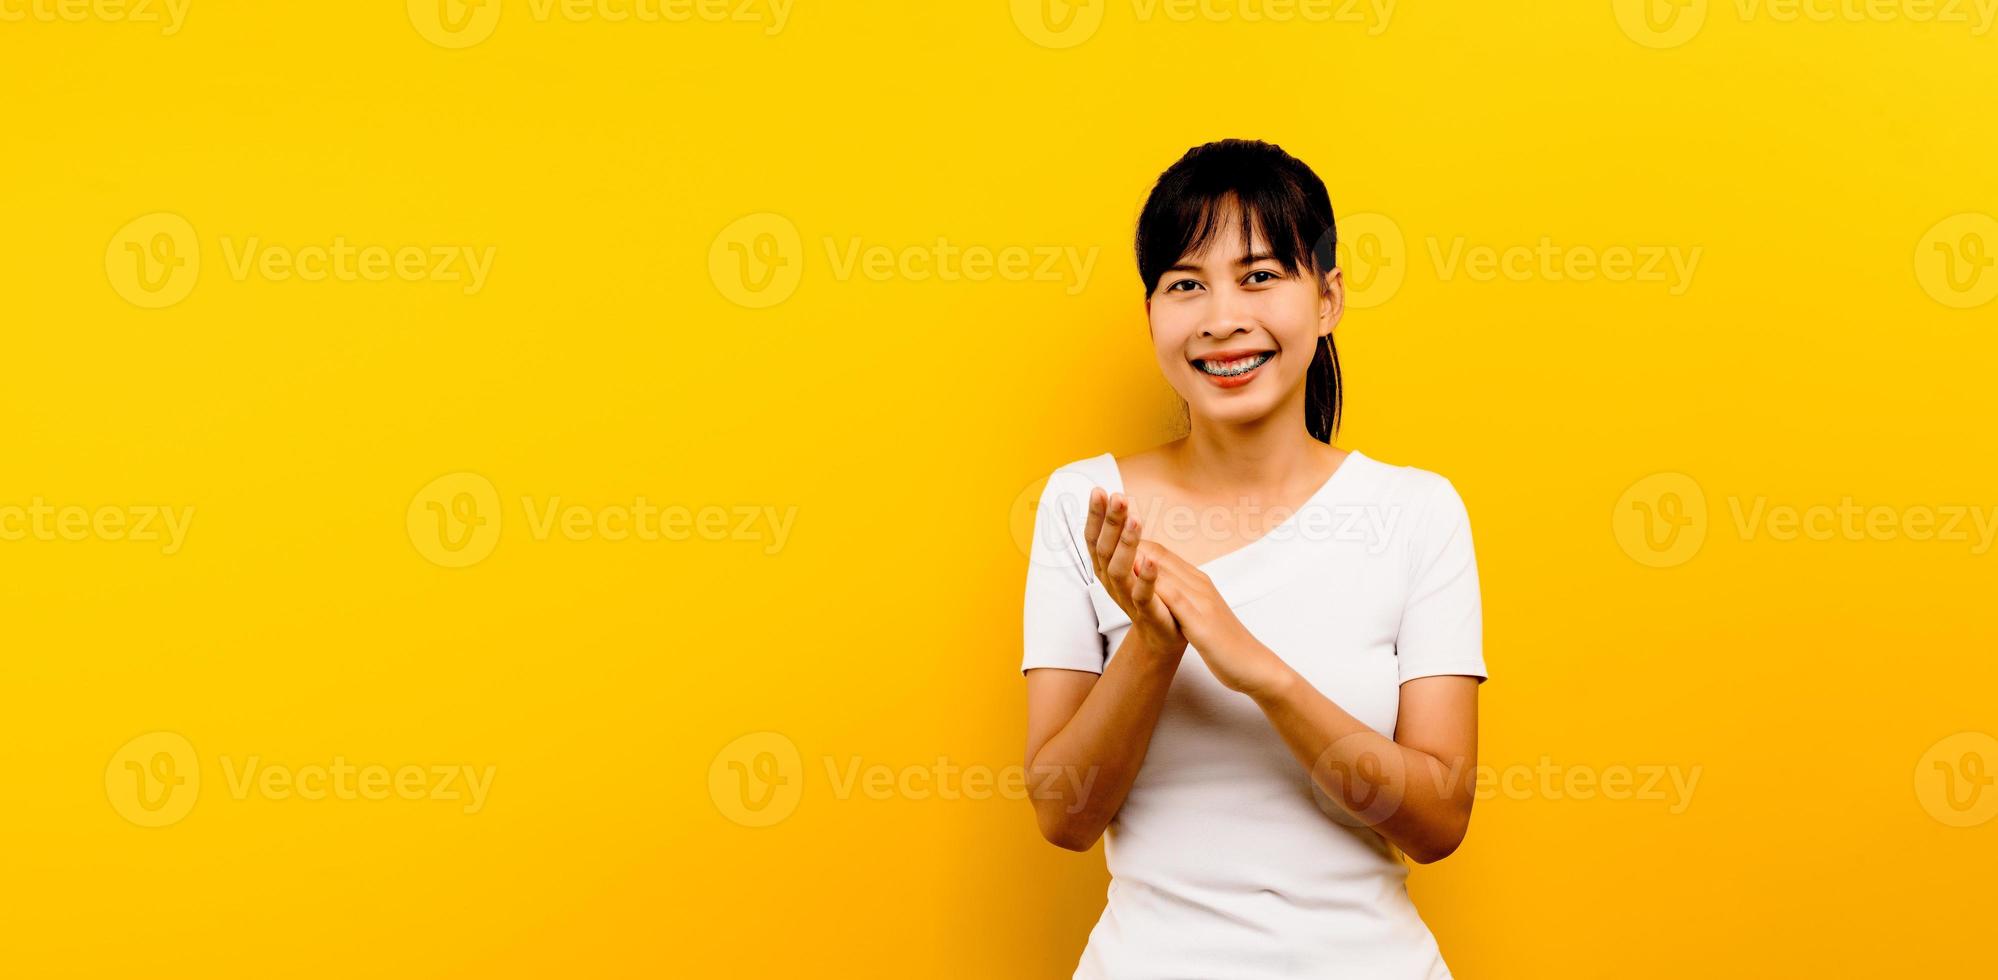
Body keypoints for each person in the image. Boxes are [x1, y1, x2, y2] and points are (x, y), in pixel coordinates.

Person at [1020, 138, 1487, 979]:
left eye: (1261, 276)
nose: (1221, 317)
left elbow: (1439, 820)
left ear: (1328, 299)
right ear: (1153, 313)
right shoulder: (1086, 508)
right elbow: (1063, 814)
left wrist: (1260, 673)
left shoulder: (1417, 513)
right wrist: (1155, 648)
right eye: (1185, 284)